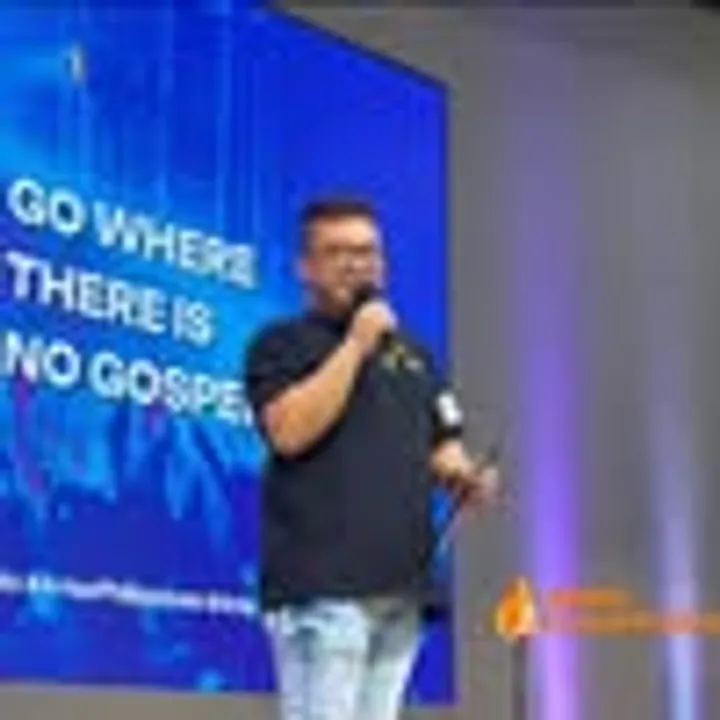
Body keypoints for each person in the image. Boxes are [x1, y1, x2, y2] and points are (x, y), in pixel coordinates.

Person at [243, 197, 500, 720]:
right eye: (337, 252)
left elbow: (443, 447)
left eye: (367, 252)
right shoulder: (281, 344)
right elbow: (289, 432)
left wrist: (467, 477)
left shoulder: (415, 356)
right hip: (324, 588)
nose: (356, 264)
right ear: (305, 268)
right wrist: (356, 345)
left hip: (402, 587)